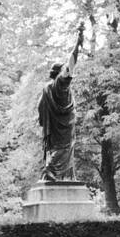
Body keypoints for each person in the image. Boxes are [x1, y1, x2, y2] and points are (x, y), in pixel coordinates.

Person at [37, 23, 85, 182]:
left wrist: (45, 122)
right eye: (64, 70)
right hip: (63, 126)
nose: (67, 72)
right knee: (64, 149)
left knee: (62, 149)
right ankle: (50, 171)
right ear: (59, 74)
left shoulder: (46, 88)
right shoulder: (59, 84)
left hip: (54, 126)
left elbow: (39, 108)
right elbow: (72, 63)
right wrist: (77, 45)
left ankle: (66, 177)